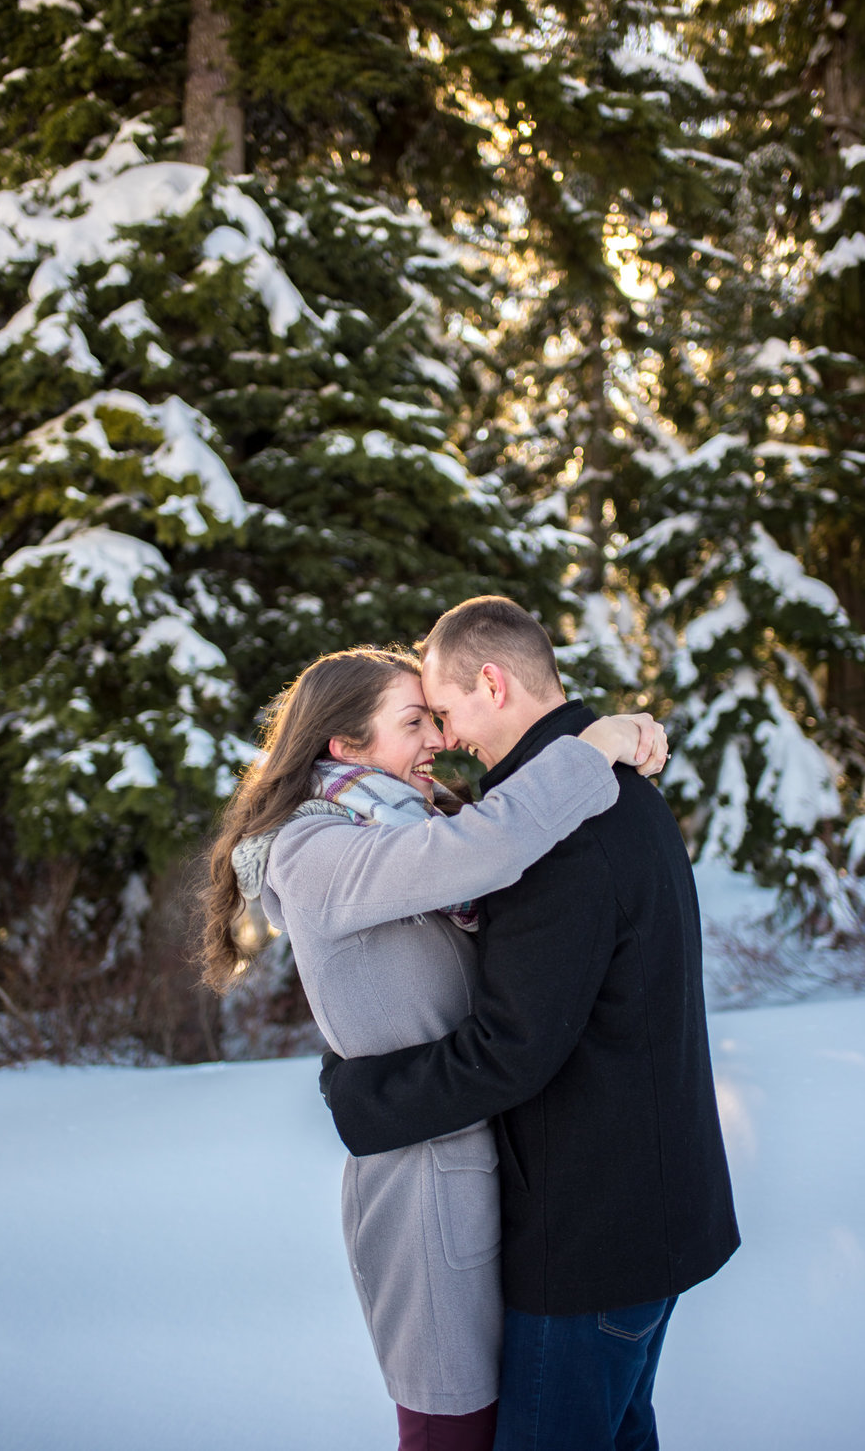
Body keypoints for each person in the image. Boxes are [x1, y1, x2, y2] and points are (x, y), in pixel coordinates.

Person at [198, 643, 668, 1451]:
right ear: (344, 747)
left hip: (480, 1166)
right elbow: (480, 848)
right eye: (414, 721)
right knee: (450, 1430)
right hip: (426, 1191)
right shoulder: (318, 854)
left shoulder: (398, 823)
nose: (438, 741)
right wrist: (590, 748)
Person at [320, 600, 740, 1451]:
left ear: (492, 681)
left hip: (589, 1240)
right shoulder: (617, 788)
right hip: (644, 1220)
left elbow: (514, 1048)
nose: (444, 738)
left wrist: (366, 1099)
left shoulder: (558, 831)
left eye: (444, 711)